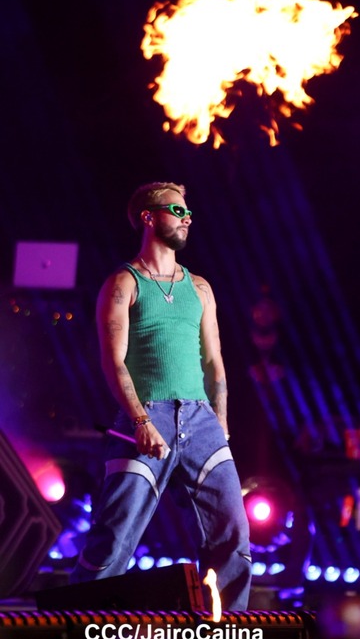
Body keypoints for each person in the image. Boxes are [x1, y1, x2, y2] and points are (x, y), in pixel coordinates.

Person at [71, 181, 251, 610]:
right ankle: (77, 627)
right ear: (148, 217)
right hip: (146, 417)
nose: (187, 218)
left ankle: (228, 635)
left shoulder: (200, 287)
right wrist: (140, 421)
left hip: (202, 421)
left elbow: (214, 362)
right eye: (177, 210)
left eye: (188, 212)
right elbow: (113, 361)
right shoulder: (123, 282)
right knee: (114, 535)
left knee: (233, 534)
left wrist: (220, 423)